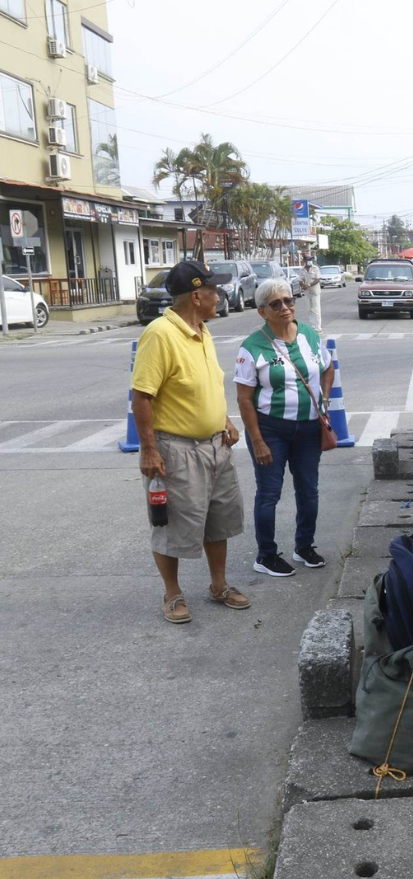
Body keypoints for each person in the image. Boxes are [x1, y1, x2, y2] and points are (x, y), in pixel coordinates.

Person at [132, 259, 250, 624]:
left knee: (218, 520)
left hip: (216, 445)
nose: (220, 295)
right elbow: (142, 396)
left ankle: (219, 585)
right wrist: (150, 450)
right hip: (176, 449)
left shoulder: (203, 330)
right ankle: (172, 593)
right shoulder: (160, 334)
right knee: (171, 527)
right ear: (197, 296)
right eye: (214, 290)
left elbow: (204, 386)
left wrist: (224, 420)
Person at [234, 278, 333, 577]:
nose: (285, 307)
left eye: (289, 301)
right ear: (262, 311)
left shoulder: (310, 337)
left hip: (308, 429)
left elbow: (327, 368)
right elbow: (244, 399)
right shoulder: (252, 347)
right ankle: (265, 555)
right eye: (275, 304)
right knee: (269, 493)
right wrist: (258, 440)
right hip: (271, 430)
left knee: (308, 491)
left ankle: (304, 546)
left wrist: (323, 401)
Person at [299, 255, 322, 334]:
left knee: (316, 309)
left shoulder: (315, 268)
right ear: (304, 261)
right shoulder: (302, 269)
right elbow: (300, 280)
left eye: (311, 260)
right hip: (307, 292)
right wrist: (303, 284)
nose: (310, 261)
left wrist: (308, 285)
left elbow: (317, 279)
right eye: (308, 260)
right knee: (309, 309)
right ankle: (312, 326)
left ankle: (318, 328)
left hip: (315, 291)